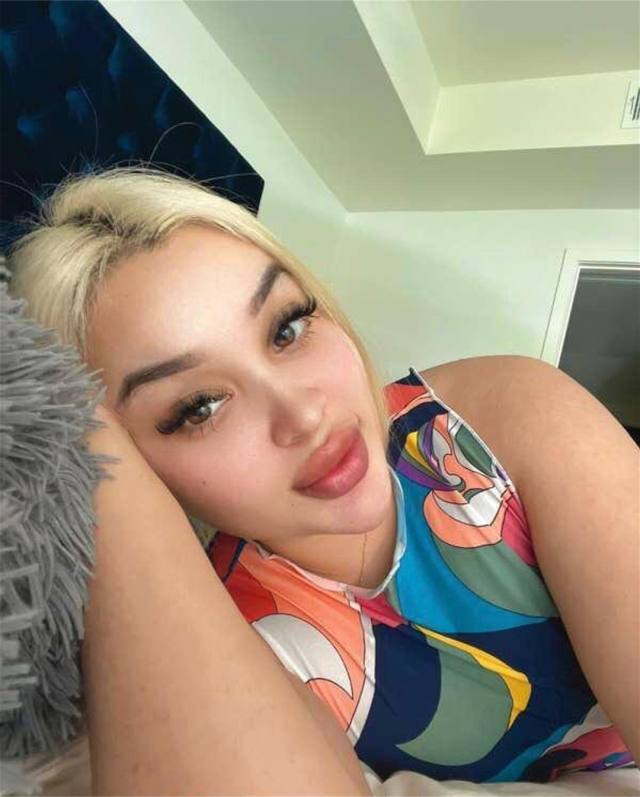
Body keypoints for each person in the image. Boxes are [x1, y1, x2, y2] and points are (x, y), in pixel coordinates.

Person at [6, 166, 638, 793]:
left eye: (287, 328)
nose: (305, 415)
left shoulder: (497, 422)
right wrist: (76, 440)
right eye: (200, 407)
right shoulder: (233, 629)